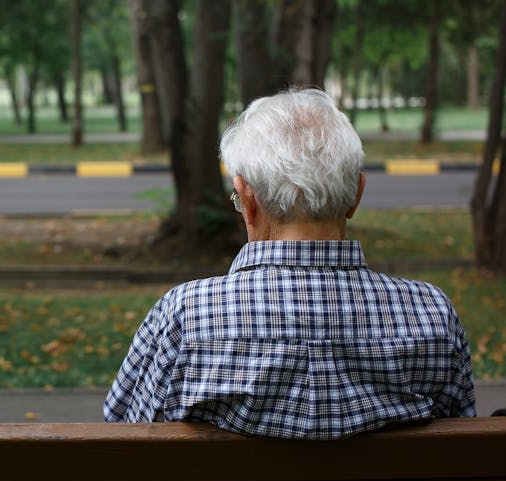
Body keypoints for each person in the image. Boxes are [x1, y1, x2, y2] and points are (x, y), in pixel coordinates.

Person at [104, 88, 476, 439]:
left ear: (247, 199)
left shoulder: (185, 317)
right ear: (356, 195)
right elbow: (463, 443)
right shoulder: (431, 315)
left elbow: (122, 438)